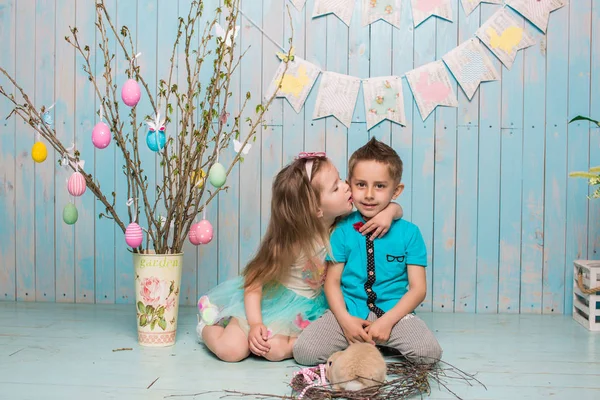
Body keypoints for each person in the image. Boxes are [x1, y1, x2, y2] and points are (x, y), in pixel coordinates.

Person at [196, 152, 403, 362]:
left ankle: (301, 344)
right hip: (271, 301)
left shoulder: (346, 224)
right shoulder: (291, 242)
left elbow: (392, 207)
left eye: (340, 178)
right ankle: (208, 326)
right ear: (316, 209)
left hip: (311, 305)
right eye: (336, 187)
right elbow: (253, 281)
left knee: (274, 351)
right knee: (232, 351)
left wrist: (391, 211)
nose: (346, 185)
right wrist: (256, 323)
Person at [293, 138, 442, 366]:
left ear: (396, 190)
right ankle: (358, 343)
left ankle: (374, 341)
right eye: (361, 184)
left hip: (394, 313)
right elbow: (331, 283)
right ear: (349, 185)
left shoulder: (410, 233)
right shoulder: (342, 230)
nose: (369, 194)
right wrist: (344, 321)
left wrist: (388, 322)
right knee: (305, 352)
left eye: (380, 186)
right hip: (350, 310)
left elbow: (418, 289)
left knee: (428, 353)